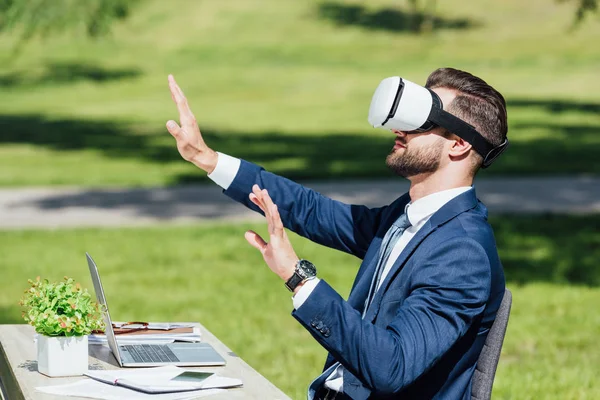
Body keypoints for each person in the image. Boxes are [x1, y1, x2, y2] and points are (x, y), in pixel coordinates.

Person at [165, 67, 507, 400]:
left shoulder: (463, 252)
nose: (399, 129)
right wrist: (208, 160)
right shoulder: (405, 217)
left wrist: (297, 277)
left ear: (459, 144)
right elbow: (311, 210)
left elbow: (392, 367)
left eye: (422, 120)